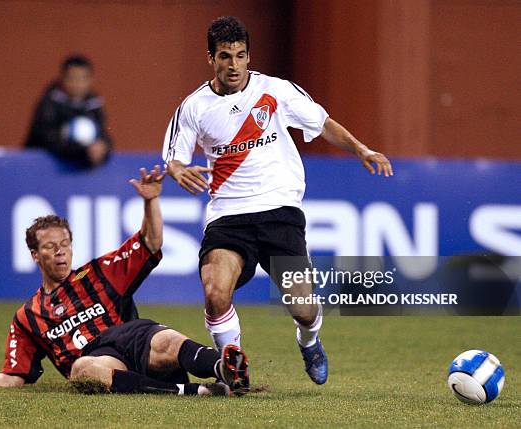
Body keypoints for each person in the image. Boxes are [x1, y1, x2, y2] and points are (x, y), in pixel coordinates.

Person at [162, 16, 393, 385]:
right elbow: (174, 155)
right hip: (228, 216)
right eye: (225, 56)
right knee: (214, 291)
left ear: (249, 56)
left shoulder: (276, 91)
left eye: (240, 55)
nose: (234, 65)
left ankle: (310, 340)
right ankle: (232, 368)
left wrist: (360, 149)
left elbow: (322, 122)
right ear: (211, 59)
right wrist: (177, 170)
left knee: (303, 308)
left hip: (279, 213)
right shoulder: (194, 107)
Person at [0, 166, 249, 396]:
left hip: (132, 339)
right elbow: (14, 375)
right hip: (104, 363)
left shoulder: (99, 273)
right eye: (51, 248)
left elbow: (150, 243)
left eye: (65, 244)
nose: (61, 253)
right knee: (81, 371)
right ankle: (197, 391)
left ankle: (224, 368)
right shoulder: (28, 316)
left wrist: (150, 201)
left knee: (164, 339)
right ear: (35, 256)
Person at [25, 55, 113, 168]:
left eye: (83, 78)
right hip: (40, 167)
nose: (78, 84)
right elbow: (49, 139)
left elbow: (102, 134)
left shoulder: (94, 104)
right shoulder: (50, 103)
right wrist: (84, 151)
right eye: (73, 78)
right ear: (63, 79)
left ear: (91, 80)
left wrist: (103, 148)